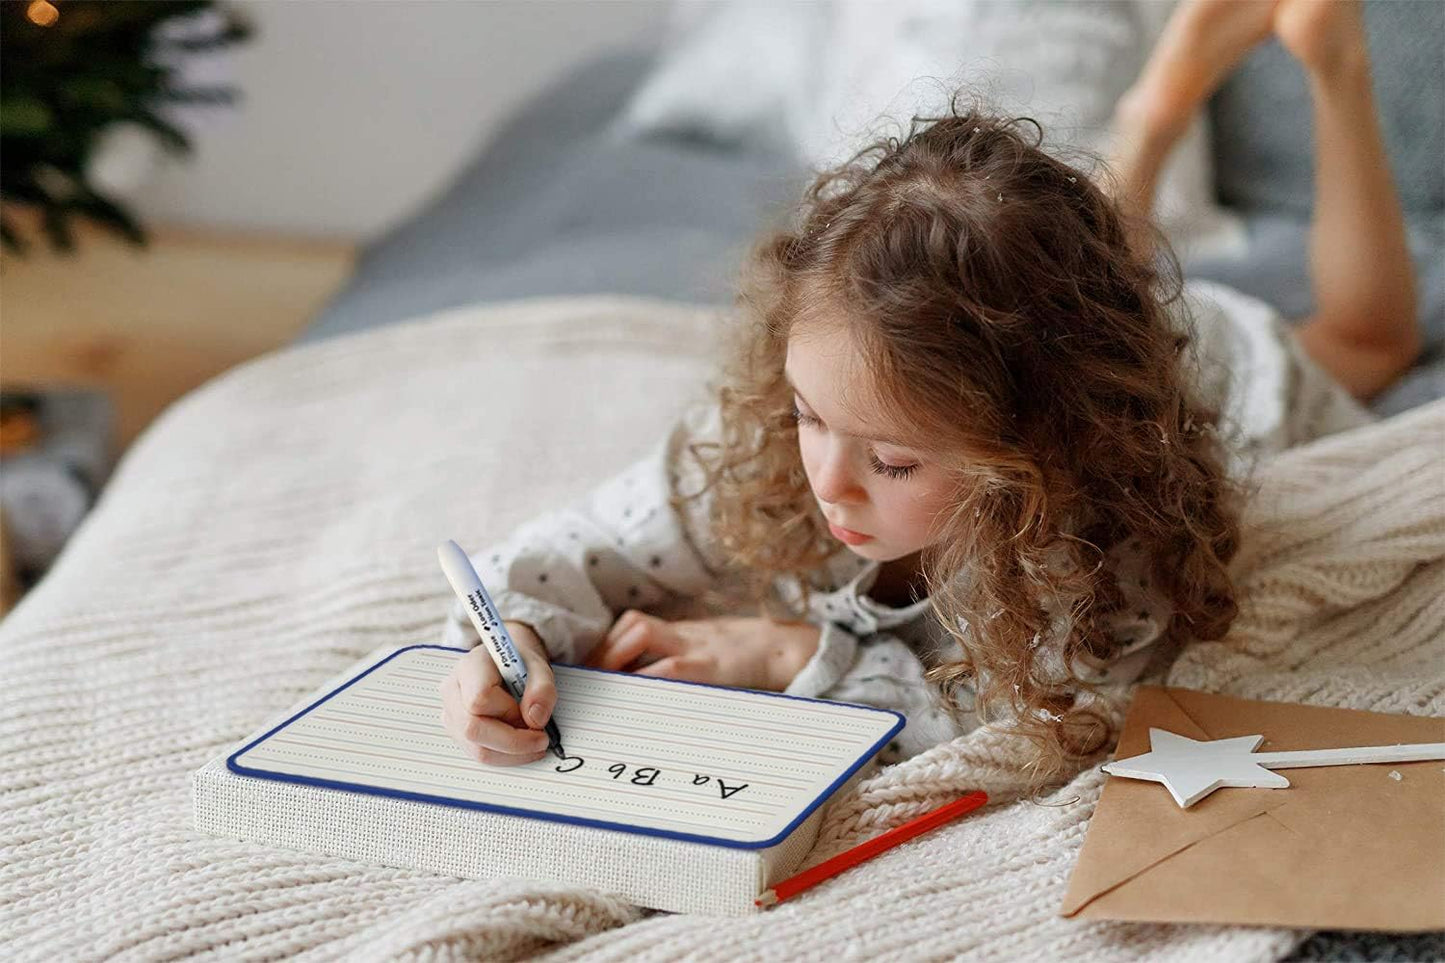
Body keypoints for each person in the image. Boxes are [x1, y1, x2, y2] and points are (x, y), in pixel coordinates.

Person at [437, 0, 1421, 776]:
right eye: (807, 414)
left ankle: (1330, 65)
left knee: (1363, 342)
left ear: (1040, 454)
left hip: (1214, 369)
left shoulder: (1101, 544)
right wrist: (509, 637)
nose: (828, 481)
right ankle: (1149, 120)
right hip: (1058, 344)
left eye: (893, 461)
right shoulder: (782, 432)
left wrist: (791, 656)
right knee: (1069, 292)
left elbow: (1045, 717)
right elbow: (561, 555)